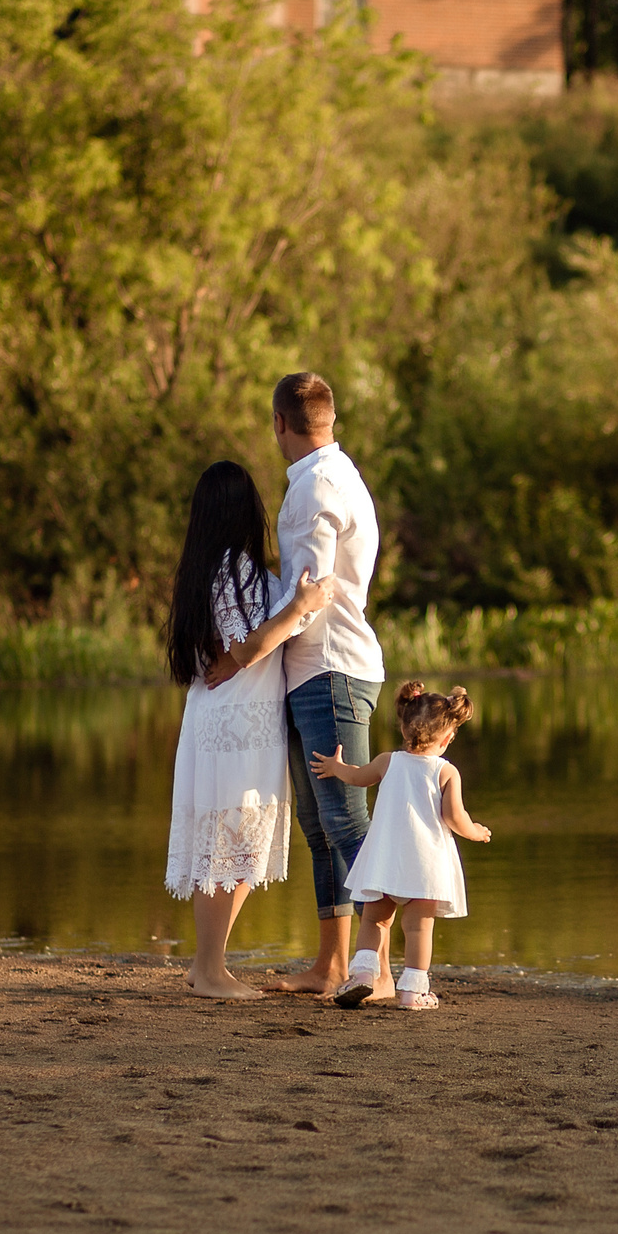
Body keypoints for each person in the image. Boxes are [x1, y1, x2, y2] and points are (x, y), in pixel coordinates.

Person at [208, 372, 386, 996]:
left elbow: (306, 599)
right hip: (315, 669)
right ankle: (332, 965)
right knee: (321, 823)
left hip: (329, 668)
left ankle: (379, 968)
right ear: (328, 418)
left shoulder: (314, 487)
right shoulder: (336, 475)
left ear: (280, 422)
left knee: (345, 820)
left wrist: (244, 654)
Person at [163, 460, 334, 1000]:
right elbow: (246, 648)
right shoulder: (233, 568)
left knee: (237, 844)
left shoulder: (214, 568)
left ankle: (205, 965)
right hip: (236, 720)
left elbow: (239, 646)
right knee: (230, 843)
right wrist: (301, 604)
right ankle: (211, 971)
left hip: (230, 715)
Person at [311, 682, 491, 1011]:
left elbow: (357, 777)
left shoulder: (387, 761)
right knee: (419, 928)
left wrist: (336, 767)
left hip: (385, 862)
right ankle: (412, 992)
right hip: (425, 866)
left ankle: (363, 975)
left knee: (374, 921)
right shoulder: (446, 771)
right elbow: (454, 817)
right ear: (447, 737)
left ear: (404, 726)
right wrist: (475, 832)